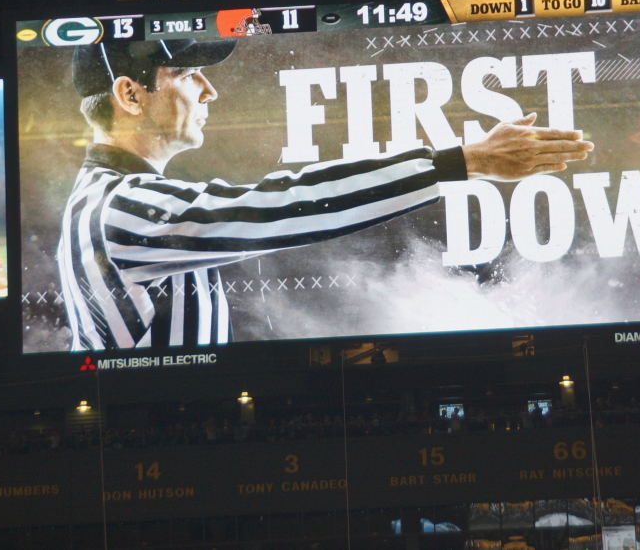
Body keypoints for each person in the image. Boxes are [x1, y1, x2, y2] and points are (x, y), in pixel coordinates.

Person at [59, 38, 592, 351]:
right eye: (188, 72)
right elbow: (287, 204)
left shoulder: (109, 199)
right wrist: (466, 161)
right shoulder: (120, 209)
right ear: (129, 94)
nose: (209, 89)